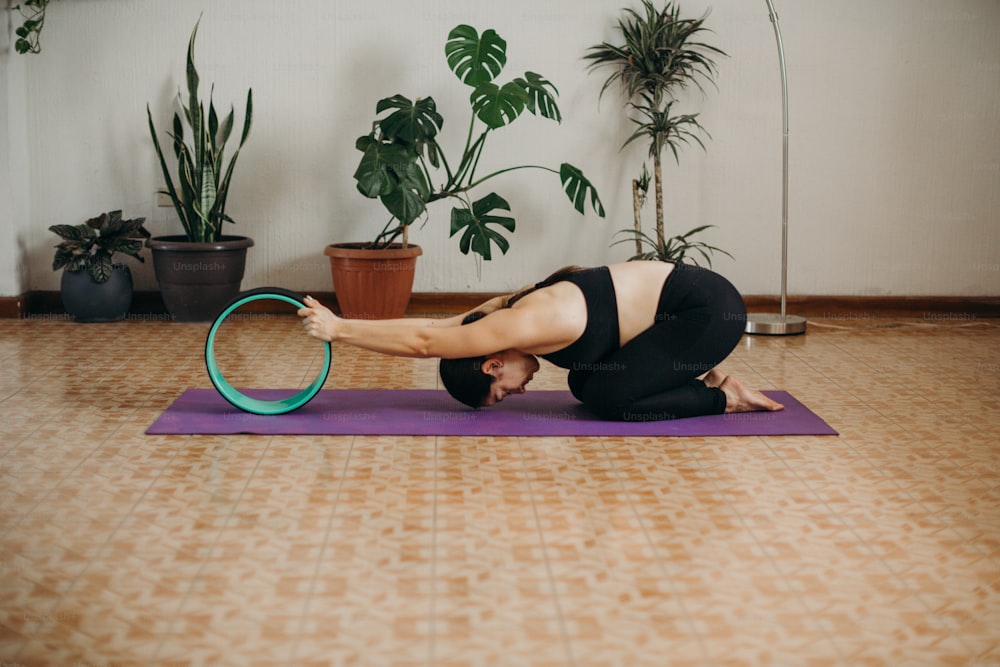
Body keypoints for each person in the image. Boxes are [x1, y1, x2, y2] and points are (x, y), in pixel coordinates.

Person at [297, 261, 784, 421]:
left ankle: (724, 396)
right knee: (586, 384)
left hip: (706, 313)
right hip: (685, 307)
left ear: (491, 364)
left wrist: (340, 330)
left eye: (503, 390)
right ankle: (710, 381)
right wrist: (341, 323)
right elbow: (440, 327)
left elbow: (427, 343)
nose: (519, 393)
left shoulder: (525, 324)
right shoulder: (504, 318)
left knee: (611, 398)